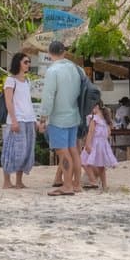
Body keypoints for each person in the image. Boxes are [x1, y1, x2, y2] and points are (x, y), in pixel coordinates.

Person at [39, 39, 86, 196]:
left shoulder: (53, 71)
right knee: (73, 150)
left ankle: (67, 185)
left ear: (50, 53)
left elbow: (48, 96)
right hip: (74, 115)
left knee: (62, 152)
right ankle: (77, 184)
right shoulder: (77, 69)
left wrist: (43, 117)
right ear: (64, 52)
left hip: (58, 118)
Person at [1, 51, 36, 190]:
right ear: (18, 63)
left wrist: (35, 120)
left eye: (29, 62)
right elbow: (8, 101)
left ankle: (19, 181)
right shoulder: (10, 80)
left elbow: (28, 102)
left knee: (26, 151)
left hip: (28, 119)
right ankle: (7, 181)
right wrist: (14, 120)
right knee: (12, 150)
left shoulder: (27, 81)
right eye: (25, 62)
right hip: (17, 119)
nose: (28, 65)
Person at [79, 103, 116, 189]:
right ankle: (104, 185)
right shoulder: (105, 119)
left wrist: (87, 144)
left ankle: (93, 181)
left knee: (83, 160)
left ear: (97, 107)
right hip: (103, 144)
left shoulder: (94, 119)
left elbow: (90, 132)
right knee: (101, 165)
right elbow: (108, 133)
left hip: (94, 142)